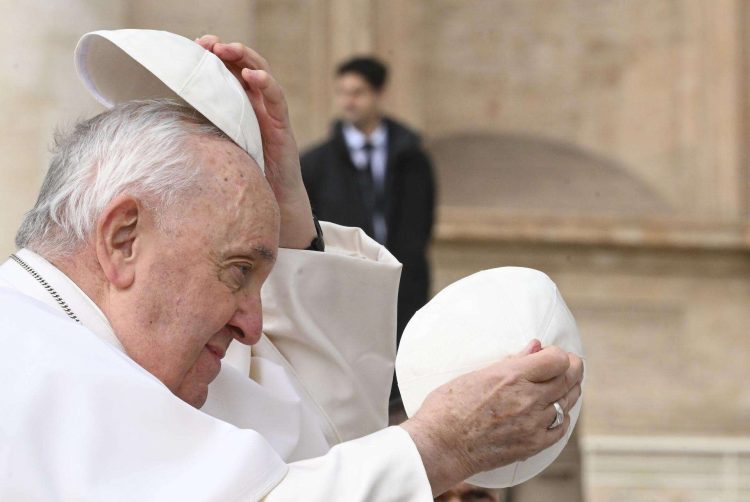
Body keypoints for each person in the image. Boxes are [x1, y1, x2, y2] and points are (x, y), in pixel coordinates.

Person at [0, 33, 583, 500]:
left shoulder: (116, 347)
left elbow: (323, 442)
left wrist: (283, 206)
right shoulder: (28, 356)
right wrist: (440, 447)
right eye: (237, 272)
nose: (252, 324)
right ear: (123, 239)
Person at [301, 56, 435, 344]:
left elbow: (422, 220)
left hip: (402, 283)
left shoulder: (411, 156)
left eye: (357, 93)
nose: (348, 101)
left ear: (379, 94)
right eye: (342, 93)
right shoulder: (316, 164)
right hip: (342, 285)